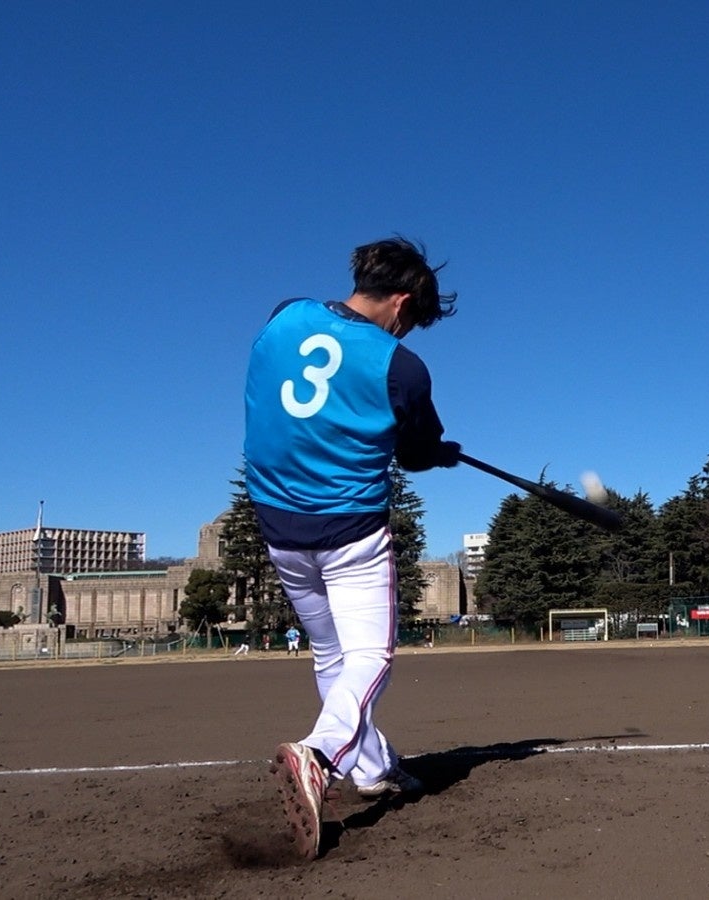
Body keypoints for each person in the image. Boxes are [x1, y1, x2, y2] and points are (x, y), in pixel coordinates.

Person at [245, 237, 459, 861]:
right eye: (412, 319)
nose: (408, 331)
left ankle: (370, 766)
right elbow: (415, 454)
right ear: (401, 300)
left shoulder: (284, 314)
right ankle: (318, 756)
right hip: (350, 532)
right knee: (371, 655)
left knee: (331, 654)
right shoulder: (401, 365)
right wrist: (436, 451)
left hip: (279, 528)